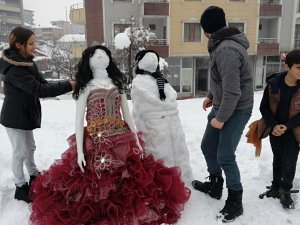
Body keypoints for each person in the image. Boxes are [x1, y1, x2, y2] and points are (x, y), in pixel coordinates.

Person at [29, 45, 190, 225]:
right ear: (88, 62)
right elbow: (79, 118)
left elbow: (127, 114)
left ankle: (128, 211)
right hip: (95, 140)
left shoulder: (117, 84)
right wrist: (81, 152)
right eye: (95, 55)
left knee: (129, 177)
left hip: (121, 137)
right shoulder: (86, 87)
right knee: (95, 182)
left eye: (104, 54)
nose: (100, 56)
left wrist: (135, 138)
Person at [191, 6, 253, 222]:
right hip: (224, 103)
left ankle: (236, 199)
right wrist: (211, 95)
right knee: (208, 146)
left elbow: (234, 91)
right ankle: (216, 184)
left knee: (225, 155)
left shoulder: (226, 49)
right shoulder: (221, 44)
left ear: (206, 31)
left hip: (237, 107)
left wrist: (220, 118)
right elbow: (222, 80)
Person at [0, 26, 76, 204]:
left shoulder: (27, 62)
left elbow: (43, 83)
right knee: (20, 152)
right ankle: (20, 187)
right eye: (31, 43)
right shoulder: (15, 69)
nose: (35, 46)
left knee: (30, 147)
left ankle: (33, 174)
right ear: (19, 45)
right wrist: (69, 85)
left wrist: (67, 83)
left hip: (24, 114)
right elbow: (39, 89)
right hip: (14, 116)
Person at [131, 49, 193, 184]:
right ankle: (162, 181)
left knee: (177, 149)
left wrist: (165, 107)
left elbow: (171, 97)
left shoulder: (162, 80)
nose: (152, 60)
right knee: (159, 152)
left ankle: (182, 176)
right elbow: (141, 106)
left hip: (172, 123)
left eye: (154, 58)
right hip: (154, 125)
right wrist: (162, 107)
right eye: (149, 58)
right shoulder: (139, 83)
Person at [259, 49, 300, 209]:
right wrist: (274, 125)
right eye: (298, 67)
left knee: (290, 162)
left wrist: (287, 126)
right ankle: (276, 186)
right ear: (287, 66)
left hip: (294, 132)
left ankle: (285, 190)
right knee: (278, 159)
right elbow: (264, 108)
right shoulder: (273, 85)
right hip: (275, 130)